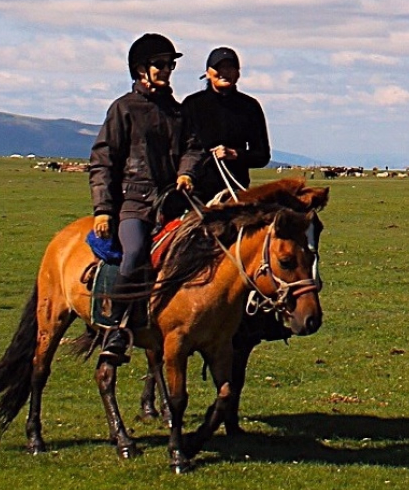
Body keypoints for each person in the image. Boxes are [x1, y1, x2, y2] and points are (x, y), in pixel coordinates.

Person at [88, 32, 185, 363]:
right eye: (160, 64)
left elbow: (194, 148)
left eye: (170, 65)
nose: (167, 70)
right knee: (135, 253)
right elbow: (103, 160)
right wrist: (103, 209)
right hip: (135, 203)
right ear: (141, 70)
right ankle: (116, 327)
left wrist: (186, 172)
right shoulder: (123, 109)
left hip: (174, 203)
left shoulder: (177, 112)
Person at [178, 47, 272, 203]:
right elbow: (179, 148)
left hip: (234, 193)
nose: (224, 72)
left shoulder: (250, 107)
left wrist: (235, 154)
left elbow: (262, 156)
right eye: (219, 67)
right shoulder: (191, 105)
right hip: (195, 193)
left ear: (238, 73)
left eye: (230, 67)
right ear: (208, 73)